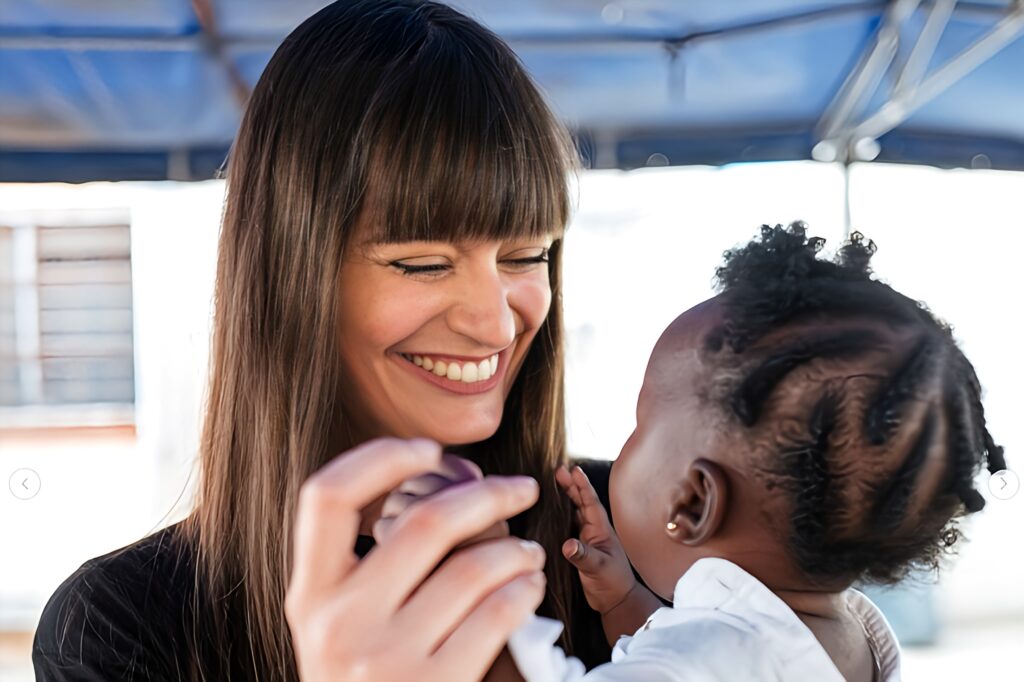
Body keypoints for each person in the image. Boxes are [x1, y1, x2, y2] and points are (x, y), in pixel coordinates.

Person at [31, 2, 613, 680]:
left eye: (525, 256)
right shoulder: (119, 624)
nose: (496, 323)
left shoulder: (625, 533)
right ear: (290, 274)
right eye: (422, 264)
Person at [505, 224, 1005, 681]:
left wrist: (491, 614)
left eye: (639, 426)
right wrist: (621, 600)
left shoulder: (726, 653)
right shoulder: (851, 637)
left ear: (693, 503)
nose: (624, 448)